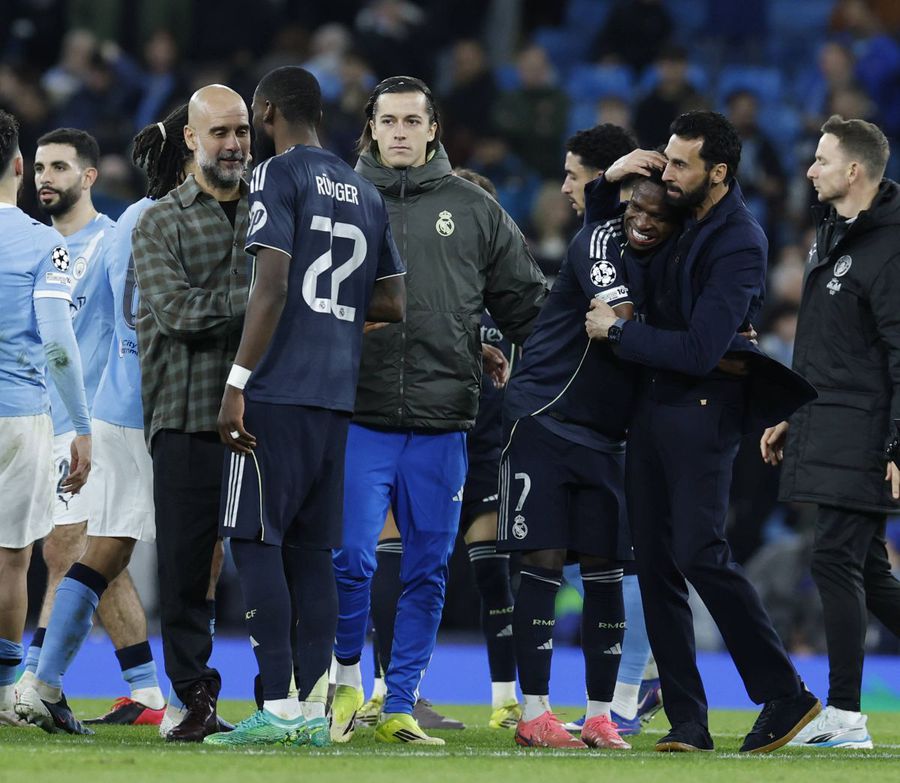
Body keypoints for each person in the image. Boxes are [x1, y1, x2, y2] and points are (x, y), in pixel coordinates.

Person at [585, 111, 821, 754]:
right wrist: (610, 178)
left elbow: (697, 350)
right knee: (656, 565)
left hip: (702, 411)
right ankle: (689, 720)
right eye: (667, 156)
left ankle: (785, 692)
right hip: (651, 407)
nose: (668, 169)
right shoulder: (681, 216)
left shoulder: (739, 240)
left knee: (698, 551)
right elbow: (609, 232)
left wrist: (623, 334)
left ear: (717, 172)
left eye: (681, 162)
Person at [330, 75, 547, 746]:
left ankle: (399, 702)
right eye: (387, 120)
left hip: (442, 418)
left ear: (433, 129)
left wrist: (506, 340)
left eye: (411, 120)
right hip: (356, 413)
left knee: (426, 568)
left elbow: (529, 304)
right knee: (352, 557)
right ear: (371, 128)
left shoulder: (474, 209)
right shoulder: (336, 198)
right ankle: (342, 678)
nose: (398, 131)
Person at [203, 65, 405, 749]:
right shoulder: (366, 191)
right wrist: (338, 316)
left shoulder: (277, 175)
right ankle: (316, 710)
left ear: (266, 111)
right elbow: (393, 300)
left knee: (254, 539)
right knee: (312, 552)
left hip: (278, 390)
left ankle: (277, 706)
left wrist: (237, 380)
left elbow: (273, 282)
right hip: (334, 398)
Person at [14, 109, 193, 735]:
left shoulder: (113, 236)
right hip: (68, 414)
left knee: (77, 548)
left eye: (58, 165)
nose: (45, 177)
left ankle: (36, 681)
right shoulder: (43, 247)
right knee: (87, 549)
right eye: (38, 165)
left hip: (94, 416)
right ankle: (137, 688)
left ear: (89, 175)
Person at [500, 125, 678, 750]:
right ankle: (535, 712)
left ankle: (603, 714)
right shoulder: (597, 239)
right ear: (623, 196)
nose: (644, 217)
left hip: (609, 438)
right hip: (545, 421)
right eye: (635, 203)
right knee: (543, 566)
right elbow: (620, 322)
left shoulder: (662, 253)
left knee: (606, 575)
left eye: (657, 208)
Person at [358, 168, 517, 734]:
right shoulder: (408, 283)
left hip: (480, 442)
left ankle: (505, 699)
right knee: (381, 555)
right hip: (416, 427)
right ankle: (383, 690)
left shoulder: (492, 300)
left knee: (475, 570)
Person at [762, 115, 900, 749]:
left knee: (835, 559)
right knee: (871, 576)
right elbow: (833, 352)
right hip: (830, 423)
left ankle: (845, 716)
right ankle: (844, 715)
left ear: (854, 171)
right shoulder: (833, 236)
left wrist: (899, 444)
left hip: (867, 431)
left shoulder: (891, 247)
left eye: (821, 160)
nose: (810, 169)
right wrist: (797, 412)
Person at [132, 83, 250, 743]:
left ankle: (282, 696)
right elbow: (176, 315)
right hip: (185, 414)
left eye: (241, 132)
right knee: (184, 569)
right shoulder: (160, 220)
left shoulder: (272, 212)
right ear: (190, 139)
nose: (233, 145)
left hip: (268, 417)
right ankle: (193, 698)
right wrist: (267, 298)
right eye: (220, 133)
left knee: (273, 559)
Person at [0, 110, 91, 729]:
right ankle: (7, 693)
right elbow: (58, 342)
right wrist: (79, 424)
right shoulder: (43, 245)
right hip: (18, 418)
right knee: (10, 560)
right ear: (16, 166)